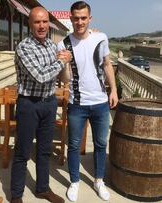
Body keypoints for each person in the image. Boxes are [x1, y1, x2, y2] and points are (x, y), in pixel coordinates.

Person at [57, 1, 118, 202]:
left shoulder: (100, 38)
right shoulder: (63, 44)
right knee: (73, 145)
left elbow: (108, 65)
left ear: (89, 18)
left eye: (84, 18)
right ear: (71, 18)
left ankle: (98, 180)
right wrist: (64, 63)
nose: (80, 22)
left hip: (100, 102)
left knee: (101, 144)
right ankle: (74, 182)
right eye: (76, 18)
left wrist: (114, 90)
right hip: (77, 103)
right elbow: (65, 79)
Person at [10, 6, 72, 203]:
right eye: (37, 22)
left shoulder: (51, 46)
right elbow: (41, 77)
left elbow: (62, 78)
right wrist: (61, 62)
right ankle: (16, 195)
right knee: (22, 152)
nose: (42, 25)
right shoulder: (24, 47)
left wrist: (65, 62)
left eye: (45, 21)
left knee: (44, 150)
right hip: (29, 104)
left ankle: (42, 189)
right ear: (30, 24)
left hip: (49, 102)